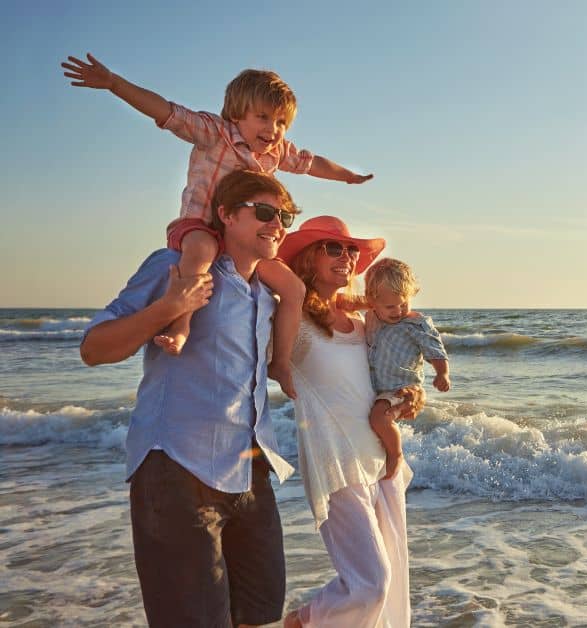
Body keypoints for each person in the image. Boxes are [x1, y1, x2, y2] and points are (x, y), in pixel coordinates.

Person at [62, 53, 374, 399]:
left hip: (241, 246)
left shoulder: (276, 152)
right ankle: (181, 324)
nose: (273, 130)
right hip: (199, 227)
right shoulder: (216, 133)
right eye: (263, 118)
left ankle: (281, 362)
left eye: (282, 122)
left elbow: (312, 162)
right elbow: (166, 111)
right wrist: (114, 83)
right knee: (201, 252)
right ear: (237, 113)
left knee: (293, 289)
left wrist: (346, 175)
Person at [79, 170, 298, 627]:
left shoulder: (268, 296)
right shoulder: (174, 266)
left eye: (285, 216)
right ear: (225, 215)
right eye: (263, 212)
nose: (277, 224)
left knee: (258, 614)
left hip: (250, 471)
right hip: (176, 469)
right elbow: (94, 348)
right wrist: (170, 307)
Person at [277, 216, 424, 627]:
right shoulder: (296, 322)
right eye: (333, 247)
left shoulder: (365, 326)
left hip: (381, 463)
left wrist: (407, 399)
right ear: (309, 258)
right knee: (370, 584)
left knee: (391, 590)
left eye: (351, 250)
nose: (347, 256)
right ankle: (302, 621)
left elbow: (385, 380)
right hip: (337, 463)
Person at [361, 258, 451, 480]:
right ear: (373, 302)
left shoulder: (415, 324)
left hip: (401, 386)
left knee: (379, 419)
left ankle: (396, 454)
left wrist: (442, 373)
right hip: (377, 387)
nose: (398, 311)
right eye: (390, 306)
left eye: (404, 303)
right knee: (376, 422)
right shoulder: (371, 316)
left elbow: (435, 350)